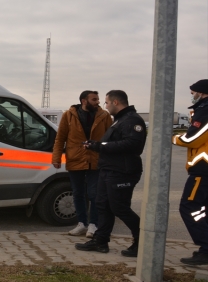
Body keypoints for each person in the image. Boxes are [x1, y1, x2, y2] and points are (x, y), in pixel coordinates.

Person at [75, 90, 146, 257]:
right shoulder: (120, 121)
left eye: (106, 102)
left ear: (115, 102)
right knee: (103, 206)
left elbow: (133, 145)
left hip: (123, 172)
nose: (105, 106)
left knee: (119, 208)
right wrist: (96, 144)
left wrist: (100, 147)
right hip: (109, 170)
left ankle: (142, 241)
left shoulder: (132, 120)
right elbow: (113, 143)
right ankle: (101, 241)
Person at [52, 90, 112, 238]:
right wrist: (56, 158)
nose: (98, 102)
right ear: (84, 101)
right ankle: (82, 223)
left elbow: (111, 138)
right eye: (94, 99)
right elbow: (60, 138)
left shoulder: (104, 116)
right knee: (78, 193)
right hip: (75, 159)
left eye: (98, 99)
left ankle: (93, 224)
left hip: (96, 160)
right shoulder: (69, 115)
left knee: (94, 193)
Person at [172, 79, 208, 265]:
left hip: (203, 170)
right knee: (203, 209)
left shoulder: (205, 111)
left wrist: (173, 138)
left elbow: (191, 139)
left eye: (194, 92)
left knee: (189, 206)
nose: (192, 96)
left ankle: (206, 246)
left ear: (202, 93)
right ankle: (205, 248)